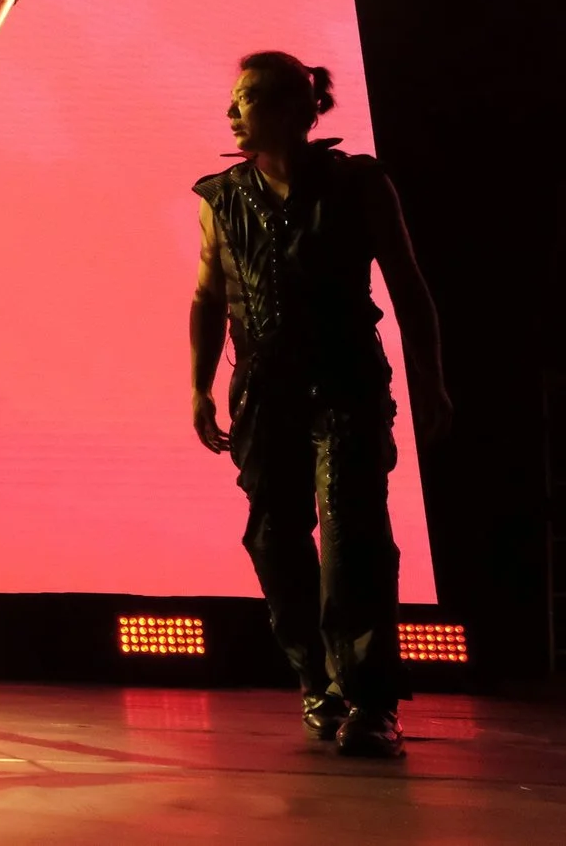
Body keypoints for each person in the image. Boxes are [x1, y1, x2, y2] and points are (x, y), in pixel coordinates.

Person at [189, 51, 452, 759]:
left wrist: (428, 376)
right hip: (264, 394)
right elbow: (209, 295)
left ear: (286, 110)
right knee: (274, 539)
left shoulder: (357, 182)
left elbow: (407, 282)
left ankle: (370, 699)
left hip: (344, 385)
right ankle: (318, 681)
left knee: (352, 536)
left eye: (242, 98)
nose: (230, 113)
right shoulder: (224, 196)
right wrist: (198, 383)